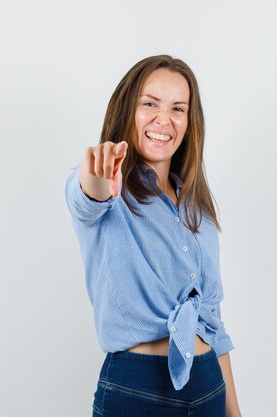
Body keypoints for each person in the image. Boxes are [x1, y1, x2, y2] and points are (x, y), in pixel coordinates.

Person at [64, 55, 242, 417]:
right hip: (137, 391)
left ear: (190, 123)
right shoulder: (110, 194)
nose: (164, 119)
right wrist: (95, 177)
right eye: (150, 104)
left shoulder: (197, 208)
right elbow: (86, 196)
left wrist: (235, 412)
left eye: (178, 108)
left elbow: (212, 321)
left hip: (209, 387)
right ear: (127, 110)